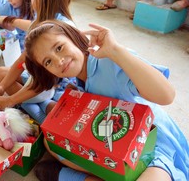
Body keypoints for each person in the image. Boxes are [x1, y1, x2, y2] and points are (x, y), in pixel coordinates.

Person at [24, 19, 189, 181]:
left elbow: (167, 95)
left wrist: (116, 50)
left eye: (59, 48)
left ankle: (65, 175)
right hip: (116, 152)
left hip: (153, 149)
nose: (58, 61)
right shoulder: (77, 82)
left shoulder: (108, 61)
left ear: (73, 37)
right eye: (48, 62)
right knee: (51, 143)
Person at [0, 0, 77, 124]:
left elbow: (42, 83)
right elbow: (23, 59)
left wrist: (9, 100)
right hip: (44, 81)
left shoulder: (51, 29)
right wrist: (2, 88)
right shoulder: (43, 20)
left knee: (42, 101)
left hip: (55, 88)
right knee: (1, 74)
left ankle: (44, 115)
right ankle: (45, 107)